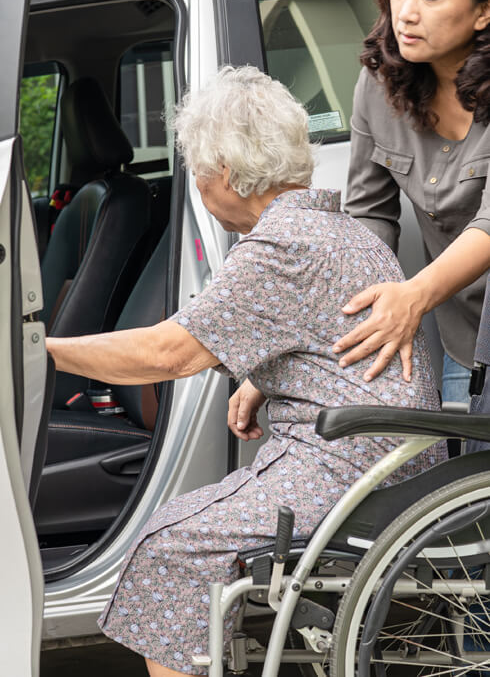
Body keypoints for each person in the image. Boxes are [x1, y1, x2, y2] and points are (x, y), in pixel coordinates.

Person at [46, 66, 446, 677]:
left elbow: (168, 355)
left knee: (173, 544)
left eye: (199, 173)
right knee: (182, 528)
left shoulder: (282, 245)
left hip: (352, 463)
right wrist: (264, 372)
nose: (200, 187)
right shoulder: (334, 229)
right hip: (381, 455)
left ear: (225, 173)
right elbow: (315, 329)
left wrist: (39, 349)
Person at [330, 0, 490, 403]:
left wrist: (414, 296)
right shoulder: (379, 85)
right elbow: (368, 218)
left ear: (484, 11)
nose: (407, 12)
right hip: (466, 338)